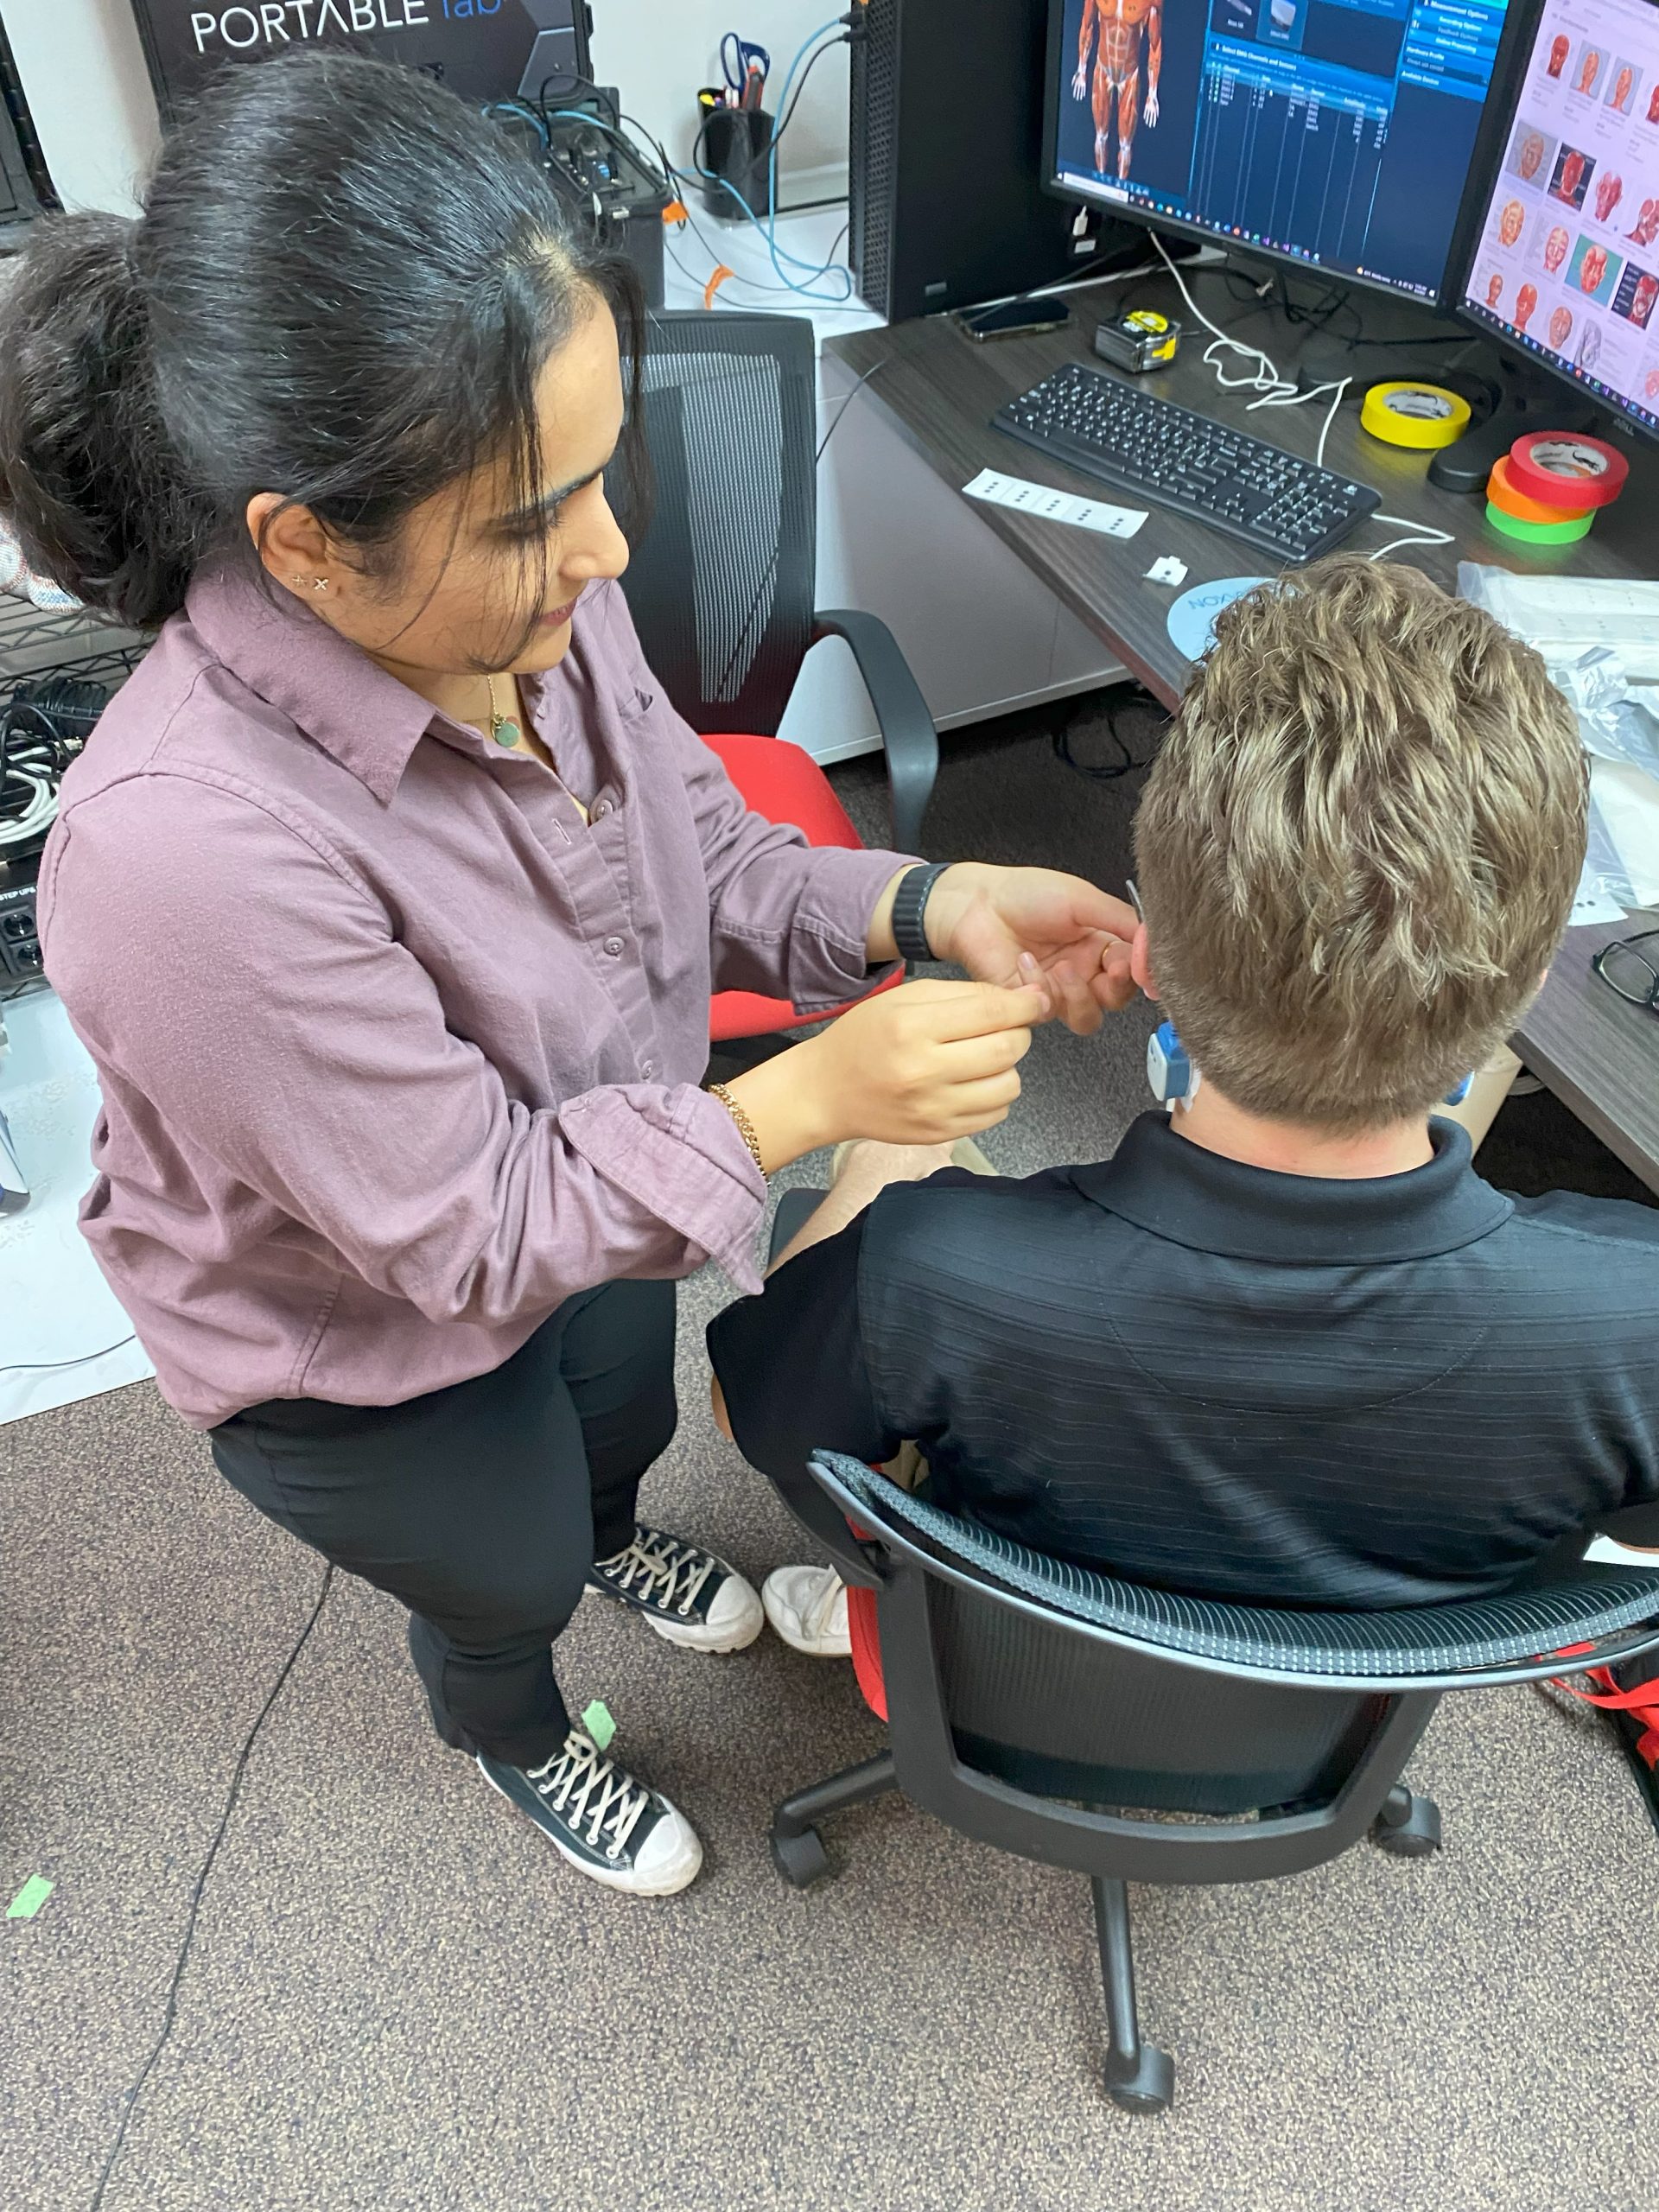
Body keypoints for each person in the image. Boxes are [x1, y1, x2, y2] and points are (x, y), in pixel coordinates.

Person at [0, 53, 1141, 1898]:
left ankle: (611, 1527)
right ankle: (519, 1720)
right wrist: (810, 1101)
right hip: (355, 1339)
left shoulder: (538, 596)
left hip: (617, 1141)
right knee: (505, 1558)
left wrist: (930, 901)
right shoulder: (178, 857)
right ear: (304, 543)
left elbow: (708, 853)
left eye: (594, 480)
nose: (608, 557)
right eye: (537, 518)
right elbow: (459, 1233)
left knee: (613, 1418)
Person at [709, 559, 1659, 1697]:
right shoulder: (1632, 1315)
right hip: (1325, 1725)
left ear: (1148, 953)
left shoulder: (927, 1265)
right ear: (1524, 991)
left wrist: (882, 1163)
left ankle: (892, 1597)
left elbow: (755, 1419)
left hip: (994, 1682)